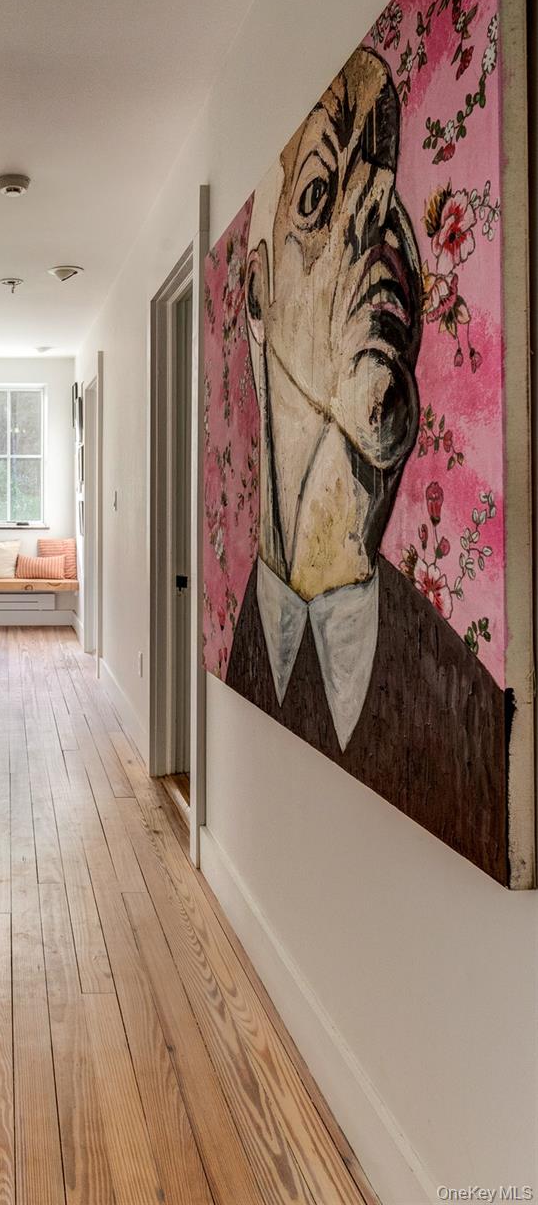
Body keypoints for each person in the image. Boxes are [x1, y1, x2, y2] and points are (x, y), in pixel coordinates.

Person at [225, 46, 512, 883]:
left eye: (384, 177)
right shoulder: (241, 659)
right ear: (255, 300)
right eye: (322, 194)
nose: (380, 211)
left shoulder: (473, 710)